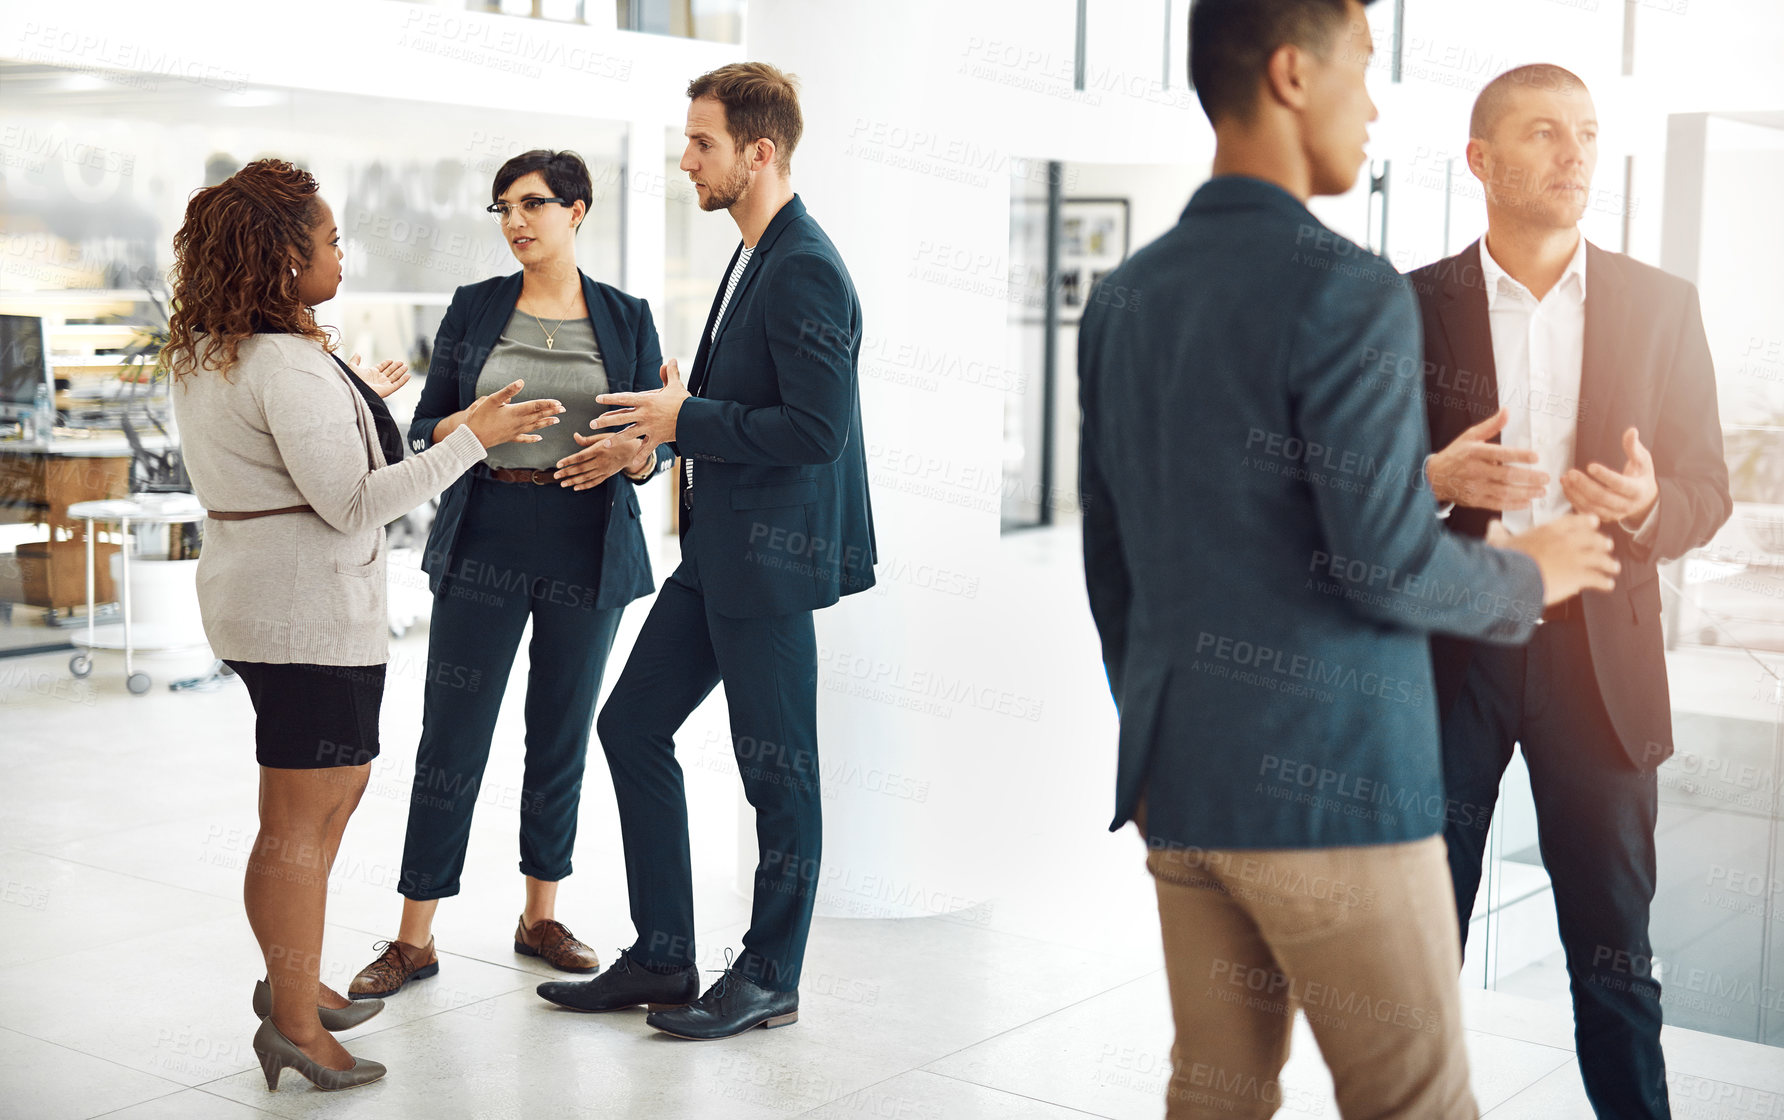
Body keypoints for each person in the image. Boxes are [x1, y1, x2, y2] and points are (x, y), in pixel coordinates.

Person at [1077, 3, 1627, 1116]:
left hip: (1181, 787)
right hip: (1333, 797)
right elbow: (1380, 562)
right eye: (1362, 70)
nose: (1371, 107)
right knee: (1412, 1101)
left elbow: (1112, 559)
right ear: (1289, 74)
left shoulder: (1122, 296)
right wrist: (1538, 571)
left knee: (1215, 1094)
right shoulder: (1345, 285)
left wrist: (1152, 744)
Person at [167, 158, 560, 1090]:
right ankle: (298, 1024)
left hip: (274, 607)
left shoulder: (224, 349)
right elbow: (353, 504)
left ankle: (292, 984)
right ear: (280, 256)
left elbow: (322, 468)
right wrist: (476, 442)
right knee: (301, 823)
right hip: (303, 614)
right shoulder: (283, 361)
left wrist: (446, 426)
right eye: (330, 239)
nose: (343, 252)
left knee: (321, 801)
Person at [1410, 64, 1730, 1120]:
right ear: (1479, 161)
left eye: (1585, 135)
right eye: (1543, 133)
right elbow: (1326, 490)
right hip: (1445, 658)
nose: (1572, 154)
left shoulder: (1659, 305)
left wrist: (1645, 505)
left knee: (1613, 963)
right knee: (1410, 962)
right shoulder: (1402, 306)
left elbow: (1703, 492)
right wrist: (1429, 479)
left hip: (1597, 669)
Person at [534, 62, 877, 1040]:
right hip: (717, 554)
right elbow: (740, 410)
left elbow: (815, 429)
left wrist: (687, 413)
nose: (686, 161)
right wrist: (660, 433)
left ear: (756, 152)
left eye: (702, 144)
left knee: (779, 775)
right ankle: (664, 956)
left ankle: (770, 975)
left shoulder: (803, 262)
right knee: (630, 725)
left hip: (766, 565)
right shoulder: (752, 253)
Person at [347, 150, 673, 999]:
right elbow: (424, 430)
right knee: (452, 738)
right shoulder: (475, 308)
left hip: (586, 537)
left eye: (532, 204)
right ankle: (414, 936)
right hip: (487, 527)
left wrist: (633, 456)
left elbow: (654, 438)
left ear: (577, 210)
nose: (515, 222)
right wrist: (476, 423)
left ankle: (540, 915)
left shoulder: (628, 317)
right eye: (503, 208)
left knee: (559, 733)